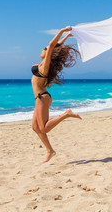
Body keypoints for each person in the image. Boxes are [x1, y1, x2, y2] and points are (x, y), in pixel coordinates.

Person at [31, 26, 82, 163]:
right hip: (39, 98)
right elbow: (56, 47)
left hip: (42, 97)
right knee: (35, 127)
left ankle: (66, 114)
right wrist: (66, 37)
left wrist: (61, 32)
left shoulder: (45, 65)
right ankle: (50, 151)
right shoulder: (42, 63)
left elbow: (52, 45)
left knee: (44, 128)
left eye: (46, 49)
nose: (44, 49)